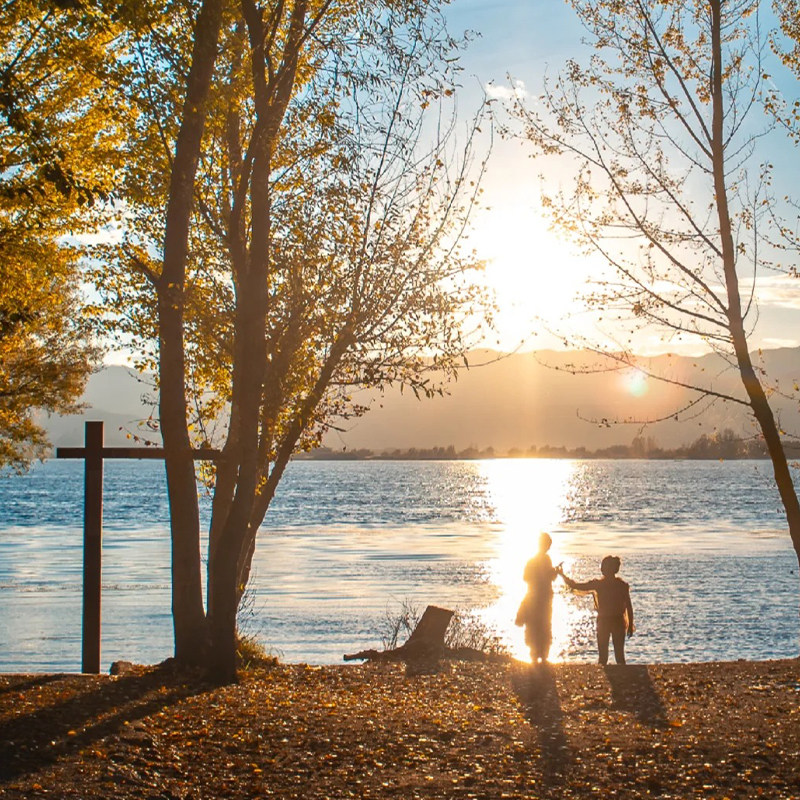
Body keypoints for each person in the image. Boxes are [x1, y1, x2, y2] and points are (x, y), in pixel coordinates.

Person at [558, 555, 634, 665]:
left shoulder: (600, 584)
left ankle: (612, 679)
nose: (602, 568)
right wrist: (630, 624)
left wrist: (562, 575)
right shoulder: (621, 585)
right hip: (616, 621)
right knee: (618, 657)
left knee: (605, 658)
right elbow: (629, 607)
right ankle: (622, 678)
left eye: (604, 566)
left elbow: (575, 586)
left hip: (606, 621)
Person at [515, 532, 558, 664]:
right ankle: (540, 655)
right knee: (542, 625)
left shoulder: (533, 560)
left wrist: (551, 573)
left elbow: (526, 577)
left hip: (537, 596)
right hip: (541, 597)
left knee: (535, 625)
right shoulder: (543, 559)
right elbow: (545, 577)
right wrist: (553, 573)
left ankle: (537, 655)